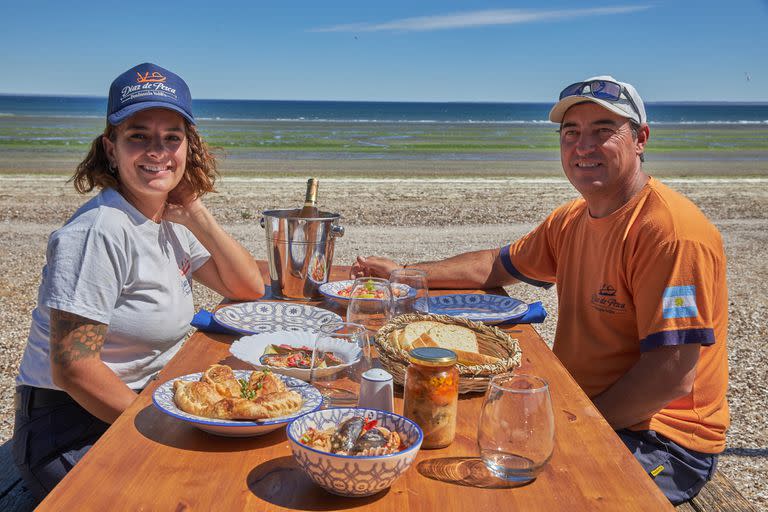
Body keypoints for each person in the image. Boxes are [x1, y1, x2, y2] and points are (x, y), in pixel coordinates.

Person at [351, 76, 729, 505]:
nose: (583, 146)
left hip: (661, 441)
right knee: (435, 440)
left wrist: (576, 426)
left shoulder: (670, 233)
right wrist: (404, 271)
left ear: (640, 139)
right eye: (571, 133)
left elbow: (671, 376)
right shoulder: (572, 220)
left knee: (508, 494)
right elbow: (496, 265)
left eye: (603, 131)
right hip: (580, 404)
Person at [13, 62, 265, 501]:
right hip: (71, 427)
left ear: (190, 148)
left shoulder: (166, 219)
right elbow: (74, 369)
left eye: (172, 137)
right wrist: (168, 426)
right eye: (138, 136)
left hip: (145, 398)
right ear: (111, 148)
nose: (157, 150)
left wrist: (197, 213)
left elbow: (247, 288)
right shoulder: (98, 232)